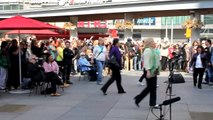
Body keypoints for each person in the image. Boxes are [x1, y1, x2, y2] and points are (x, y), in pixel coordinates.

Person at [134, 38, 161, 107]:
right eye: (152, 42)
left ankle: (149, 102)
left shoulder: (153, 50)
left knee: (152, 87)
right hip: (149, 70)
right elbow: (146, 61)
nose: (154, 43)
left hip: (153, 70)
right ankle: (140, 99)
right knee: (150, 87)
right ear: (149, 43)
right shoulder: (147, 50)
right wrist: (148, 71)